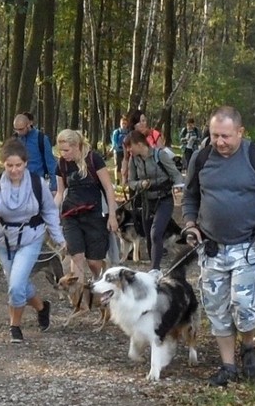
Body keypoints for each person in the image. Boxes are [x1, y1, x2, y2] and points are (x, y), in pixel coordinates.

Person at [182, 106, 255, 386]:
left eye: (226, 136)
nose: (219, 142)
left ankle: (248, 345)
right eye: (214, 135)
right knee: (216, 308)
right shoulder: (201, 157)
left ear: (240, 133)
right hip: (210, 247)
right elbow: (190, 198)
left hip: (246, 246)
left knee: (245, 307)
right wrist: (190, 224)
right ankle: (228, 366)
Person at [0, 139, 65, 343]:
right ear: (3, 164)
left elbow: (50, 211)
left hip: (31, 238)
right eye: (9, 165)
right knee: (20, 283)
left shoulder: (36, 183)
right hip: (4, 240)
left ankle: (14, 327)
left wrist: (59, 238)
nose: (14, 170)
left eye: (18, 165)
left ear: (25, 163)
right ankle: (42, 307)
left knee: (15, 286)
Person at [55, 129, 119, 282]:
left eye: (66, 150)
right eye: (61, 150)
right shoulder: (62, 164)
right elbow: (59, 193)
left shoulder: (93, 159)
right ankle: (79, 301)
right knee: (76, 256)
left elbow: (108, 188)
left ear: (76, 146)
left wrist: (112, 216)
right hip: (70, 216)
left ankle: (97, 277)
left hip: (94, 214)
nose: (63, 154)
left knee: (93, 262)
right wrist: (49, 215)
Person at [126, 130, 184, 272]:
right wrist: (141, 185)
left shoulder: (160, 155)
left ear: (139, 144)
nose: (128, 150)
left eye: (130, 146)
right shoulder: (133, 160)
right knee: (148, 236)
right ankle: (154, 266)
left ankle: (155, 269)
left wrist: (178, 187)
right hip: (147, 201)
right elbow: (131, 182)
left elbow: (176, 175)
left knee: (156, 233)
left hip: (164, 199)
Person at [13, 113, 58, 195]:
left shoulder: (41, 139)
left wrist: (54, 187)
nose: (18, 132)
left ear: (29, 125)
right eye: (16, 129)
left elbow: (51, 164)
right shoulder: (15, 139)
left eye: (21, 129)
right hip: (18, 184)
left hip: (37, 183)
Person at [108, 117, 129, 185]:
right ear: (120, 124)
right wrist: (112, 149)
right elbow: (114, 142)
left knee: (126, 166)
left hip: (126, 151)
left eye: (125, 123)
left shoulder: (129, 132)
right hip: (117, 151)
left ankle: (124, 181)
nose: (124, 125)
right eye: (123, 123)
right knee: (117, 166)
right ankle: (117, 181)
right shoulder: (116, 132)